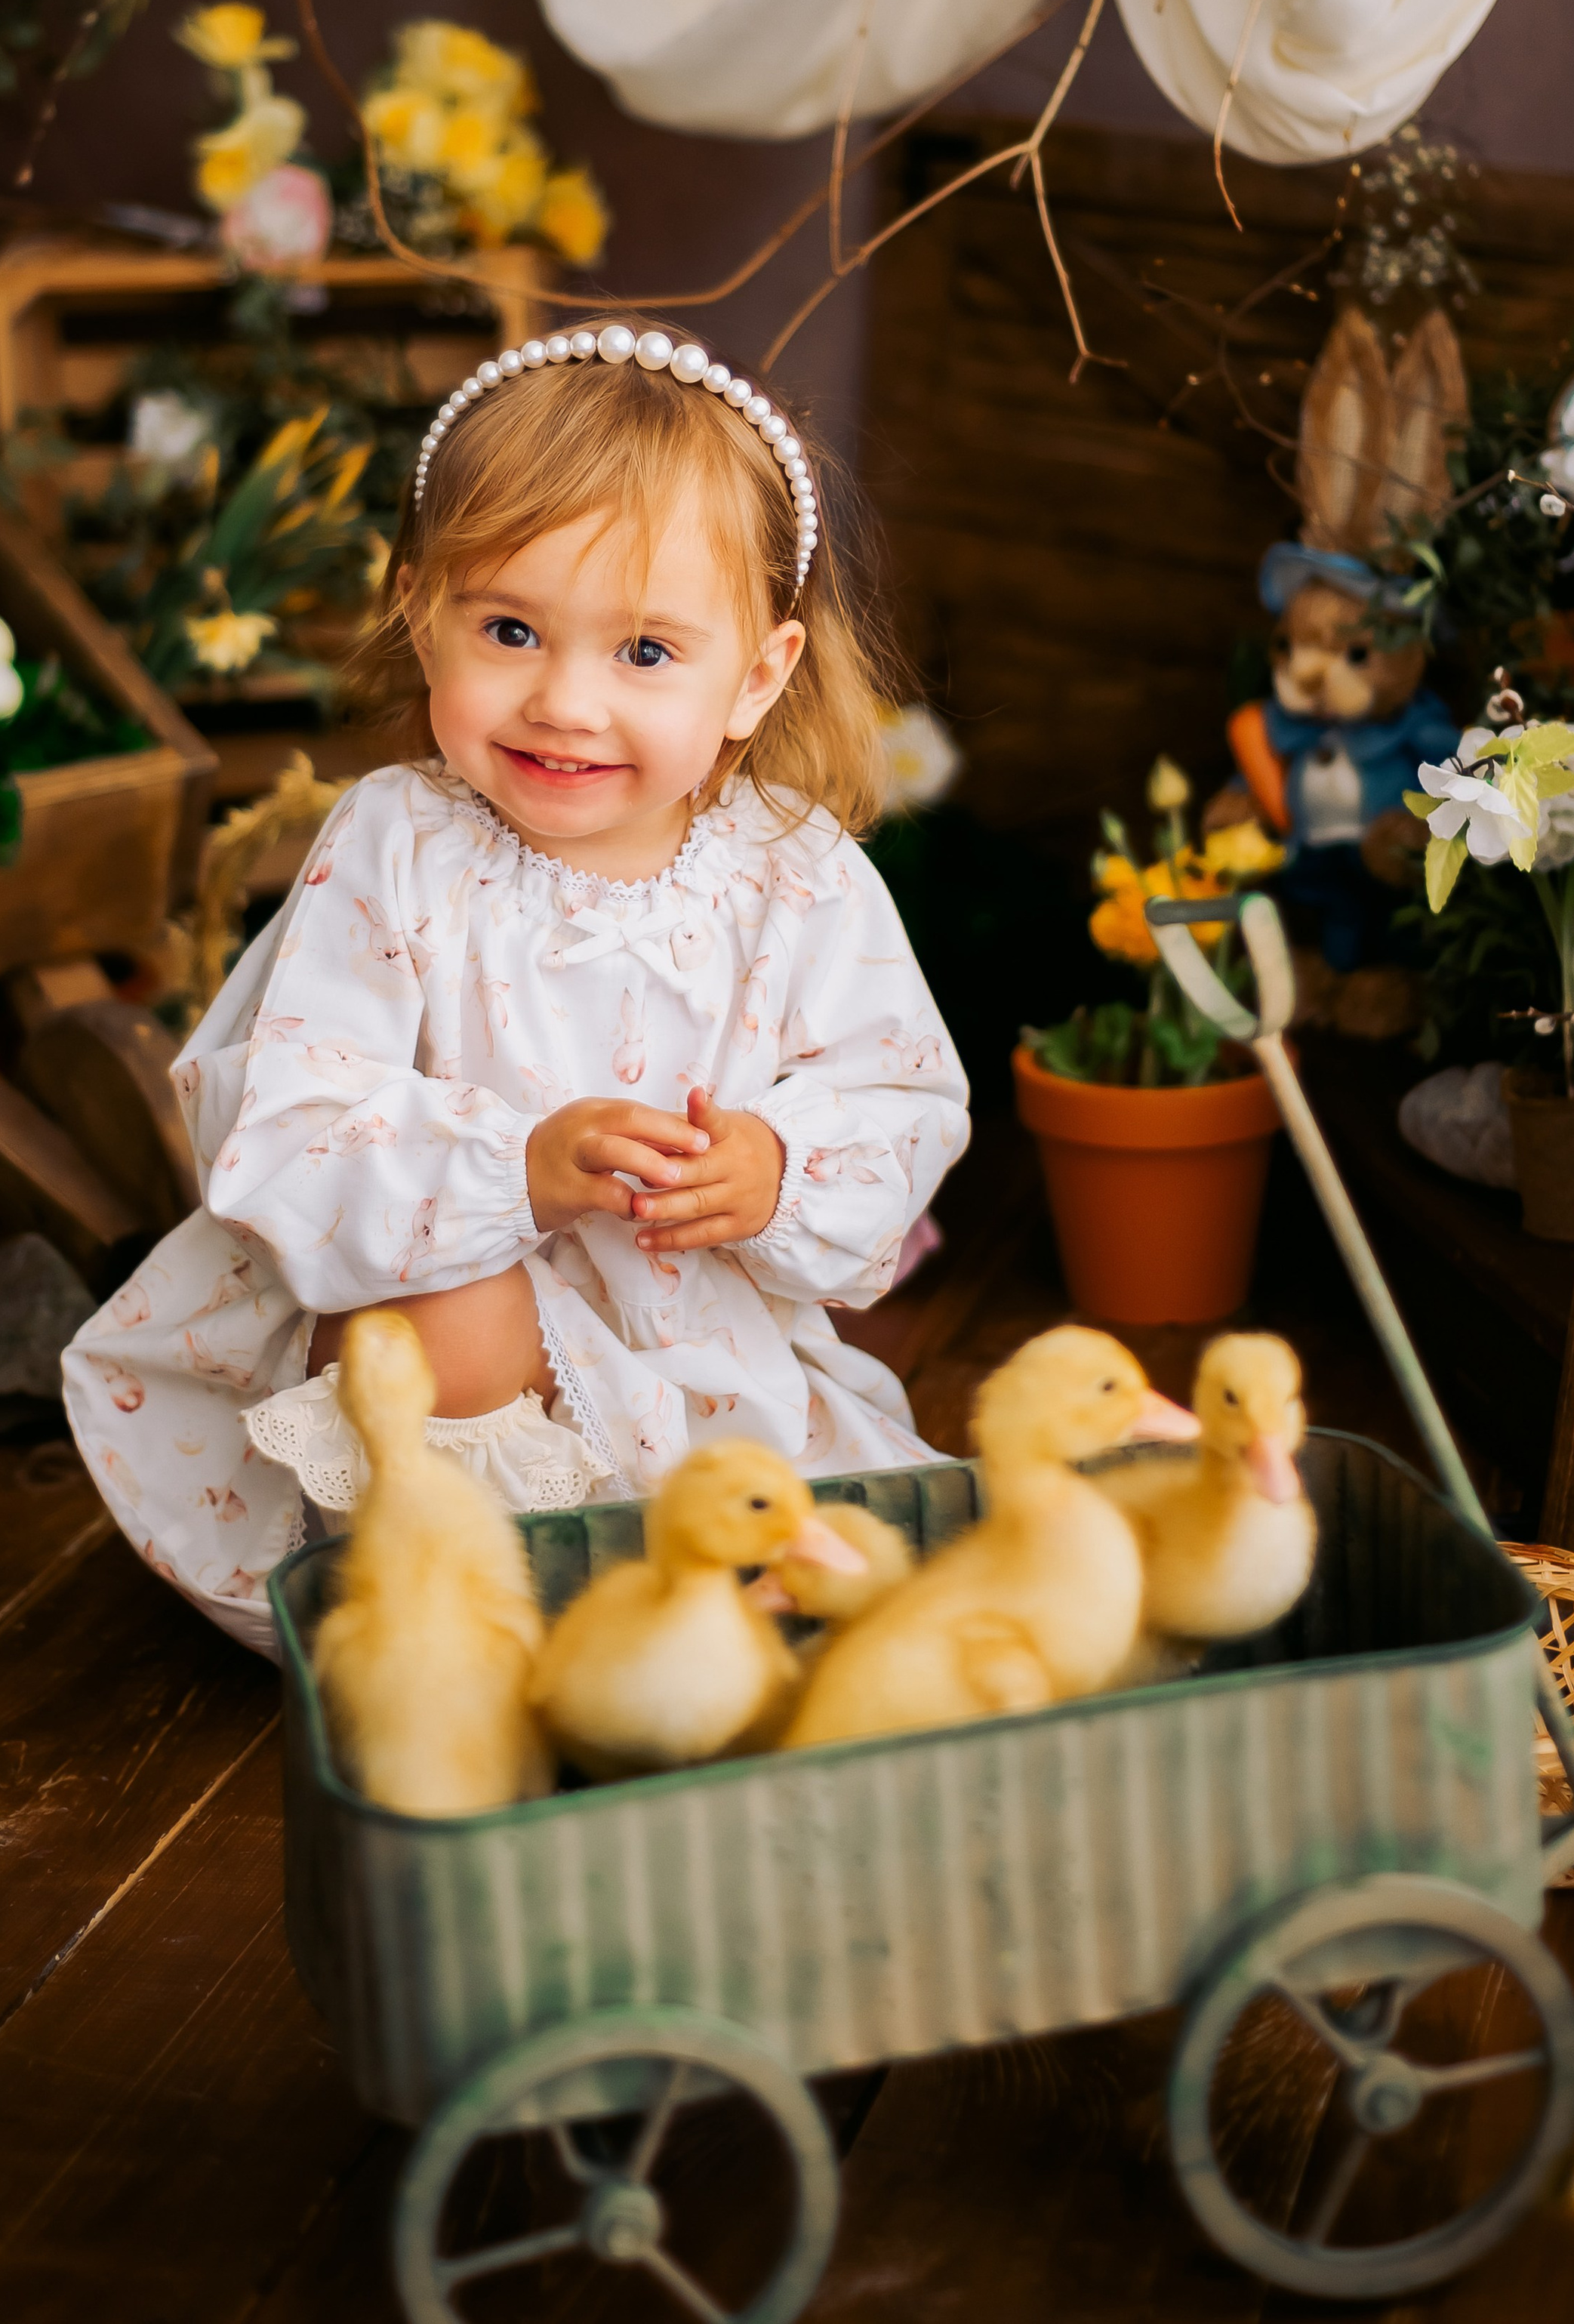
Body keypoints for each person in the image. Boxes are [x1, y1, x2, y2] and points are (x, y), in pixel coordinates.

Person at [61, 321, 970, 1654]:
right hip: (454, 1343)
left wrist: (777, 1166)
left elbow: (896, 1091)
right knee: (440, 1313)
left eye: (645, 653)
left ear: (755, 676)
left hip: (692, 1362)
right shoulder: (398, 845)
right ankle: (483, 1621)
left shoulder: (797, 876)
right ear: (420, 611)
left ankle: (670, 1614)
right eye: (509, 628)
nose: (565, 700)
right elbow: (286, 1120)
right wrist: (515, 1170)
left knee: (849, 1590)